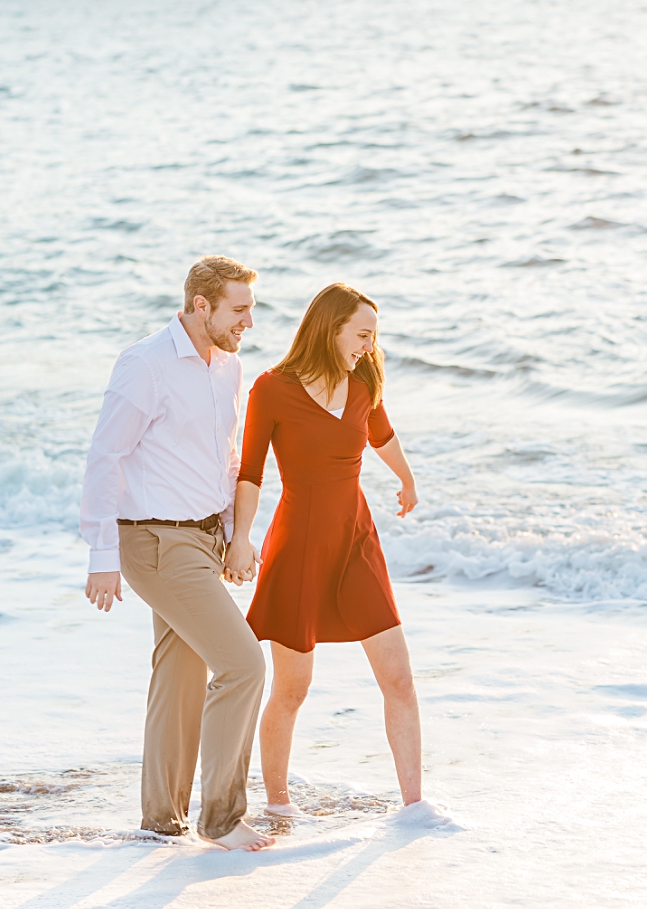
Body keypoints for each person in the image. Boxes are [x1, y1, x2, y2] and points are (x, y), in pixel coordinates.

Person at [80, 256, 274, 852]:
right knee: (243, 666)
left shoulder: (229, 368)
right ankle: (221, 817)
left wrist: (238, 535)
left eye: (251, 309)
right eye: (238, 309)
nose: (248, 321)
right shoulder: (145, 365)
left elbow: (228, 462)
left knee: (180, 673)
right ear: (201, 306)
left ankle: (161, 820)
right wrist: (102, 555)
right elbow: (104, 458)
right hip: (154, 540)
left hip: (203, 538)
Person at [224, 282, 423, 814]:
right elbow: (250, 472)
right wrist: (240, 538)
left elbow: (381, 433)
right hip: (300, 545)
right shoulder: (271, 388)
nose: (368, 345)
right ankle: (278, 804)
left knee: (399, 678)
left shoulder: (364, 382)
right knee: (292, 689)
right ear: (329, 328)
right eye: (361, 334)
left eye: (373, 336)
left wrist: (406, 479)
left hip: (357, 540)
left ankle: (415, 807)